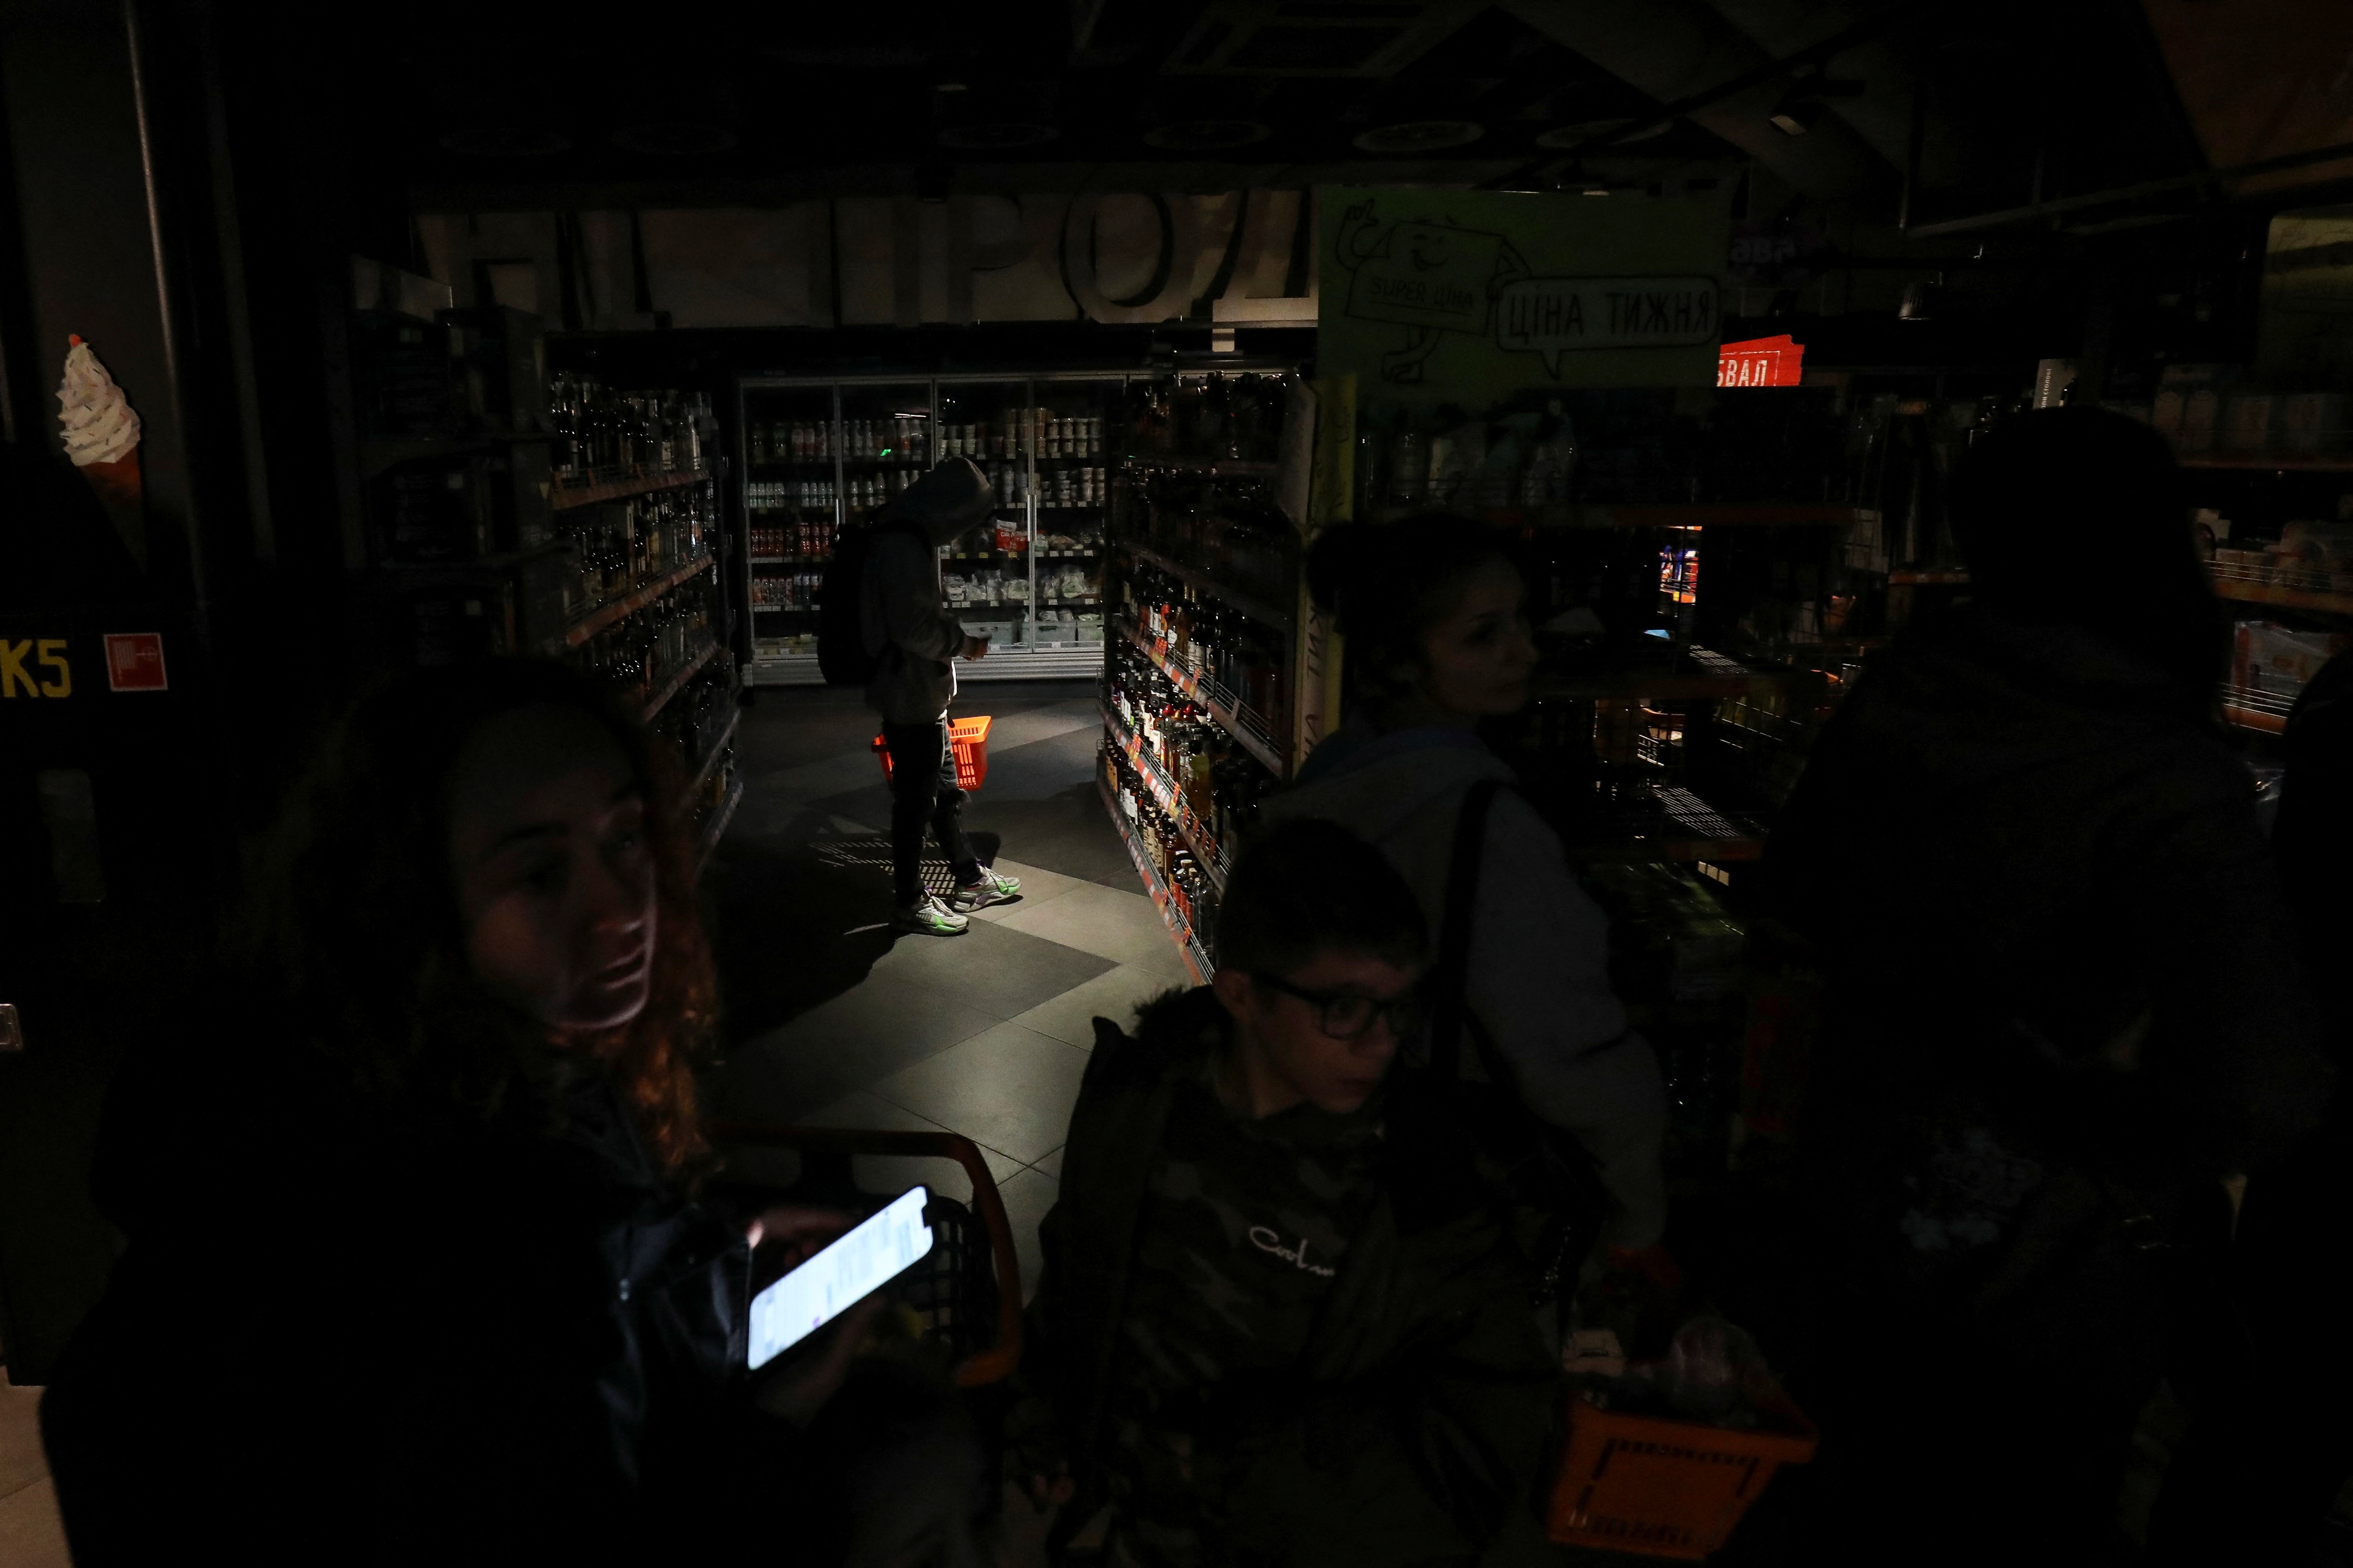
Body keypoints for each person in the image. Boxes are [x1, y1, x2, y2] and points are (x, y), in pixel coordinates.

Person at [39, 660, 979, 1564]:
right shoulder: (416, 1242)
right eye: (539, 875)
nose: (621, 910)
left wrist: (705, 1249)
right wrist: (773, 1425)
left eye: (623, 840)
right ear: (411, 904)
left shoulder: (481, 1069)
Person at [1760, 408, 2335, 1563]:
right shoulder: (2162, 781)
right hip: (2040, 1279)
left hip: (1845, 1224)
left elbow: (1795, 902)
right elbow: (2261, 1088)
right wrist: (2095, 1112)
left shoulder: (1904, 692)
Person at [1022, 819, 1562, 1568]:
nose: (1381, 1043)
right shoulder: (1141, 1096)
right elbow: (1075, 1268)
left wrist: (1238, 1464)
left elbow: (1477, 1456)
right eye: (1342, 1009)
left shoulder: (1429, 1196)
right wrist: (1046, 1418)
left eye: (1400, 1006)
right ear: (1241, 994)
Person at [1263, 516, 1670, 1260]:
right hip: (1459, 1192)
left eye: (1520, 620)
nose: (1523, 648)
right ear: (1403, 659)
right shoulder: (1486, 825)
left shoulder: (1338, 771)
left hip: (1340, 1167)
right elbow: (1563, 1051)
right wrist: (1637, 1209)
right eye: (1482, 634)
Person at [861, 456, 1021, 935]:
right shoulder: (903, 545)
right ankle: (909, 899)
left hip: (920, 690)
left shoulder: (899, 533)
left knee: (944, 791)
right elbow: (912, 629)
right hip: (909, 691)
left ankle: (969, 878)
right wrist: (962, 644)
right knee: (916, 801)